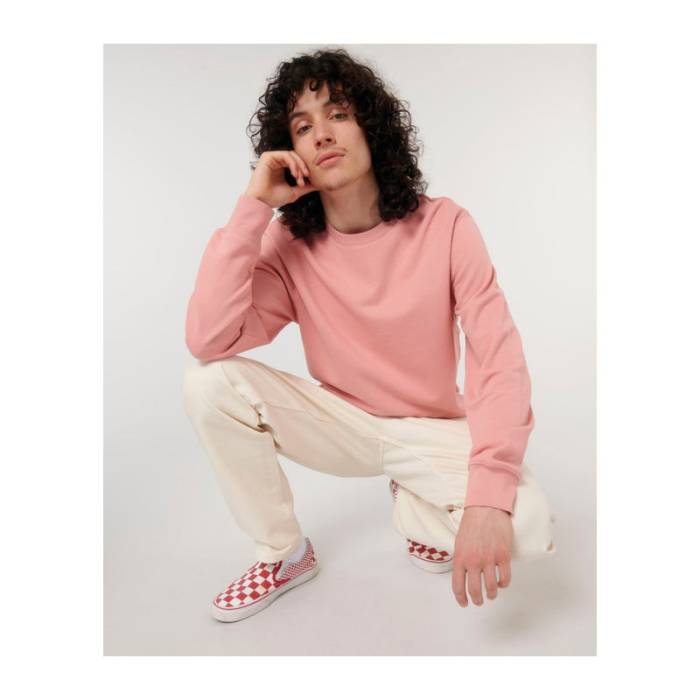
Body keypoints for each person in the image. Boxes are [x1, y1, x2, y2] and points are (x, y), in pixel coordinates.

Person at [183, 48, 555, 623]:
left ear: (371, 127)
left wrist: (487, 498)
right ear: (291, 152)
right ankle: (285, 555)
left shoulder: (446, 226)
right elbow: (210, 337)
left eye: (338, 114)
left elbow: (498, 360)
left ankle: (415, 502)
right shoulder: (288, 246)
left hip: (430, 426)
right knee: (208, 384)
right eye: (302, 127)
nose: (322, 134)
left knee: (526, 525)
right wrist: (254, 208)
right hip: (341, 425)